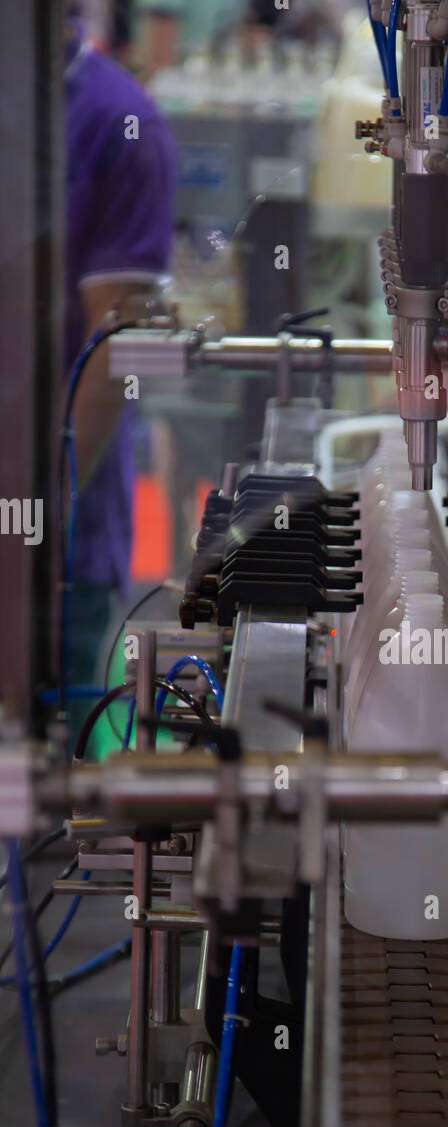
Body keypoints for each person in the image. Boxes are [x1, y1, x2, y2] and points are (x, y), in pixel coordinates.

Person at [64, 3, 177, 746]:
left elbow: (118, 344)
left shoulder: (115, 120)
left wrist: (43, 500)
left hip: (54, 545)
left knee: (38, 789)